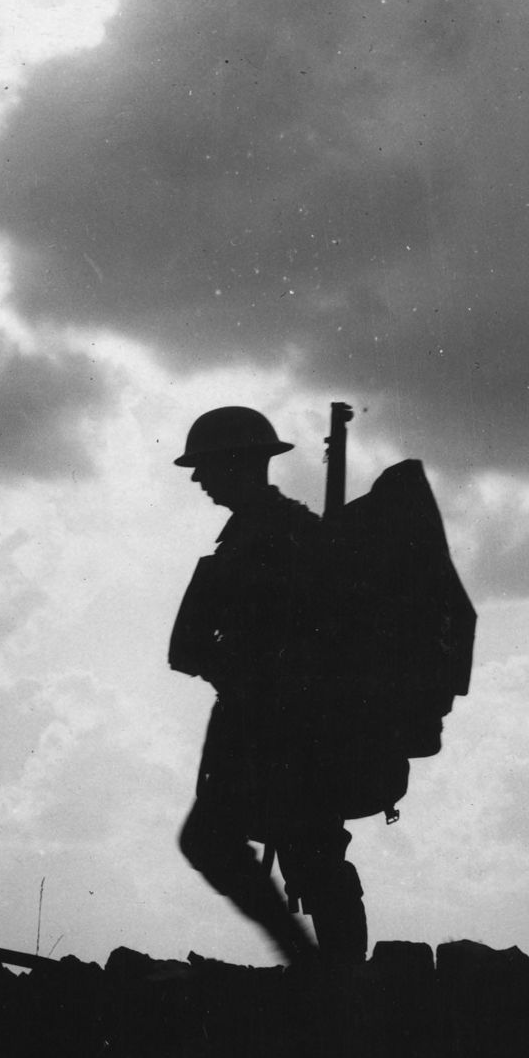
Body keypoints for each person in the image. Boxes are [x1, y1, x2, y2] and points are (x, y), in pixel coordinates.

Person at [166, 406, 375, 967]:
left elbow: (294, 640)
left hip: (280, 726)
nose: (197, 477)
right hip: (277, 722)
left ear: (239, 463)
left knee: (280, 848)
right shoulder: (273, 531)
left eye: (207, 464)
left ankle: (319, 968)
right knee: (309, 851)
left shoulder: (272, 536)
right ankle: (326, 971)